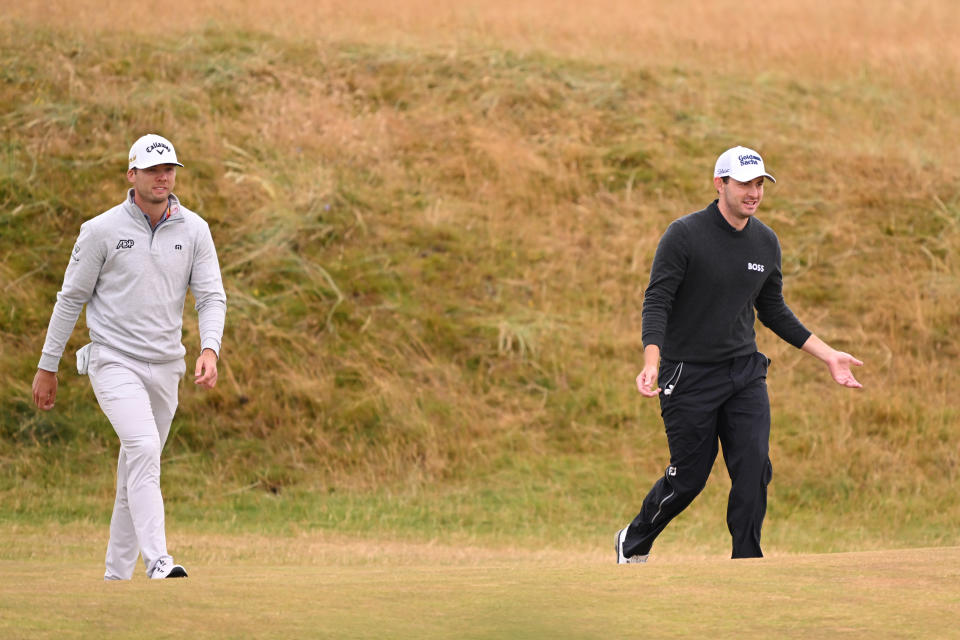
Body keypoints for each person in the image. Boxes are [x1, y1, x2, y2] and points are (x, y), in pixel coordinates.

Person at [616, 146, 862, 563]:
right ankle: (633, 541)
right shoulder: (684, 234)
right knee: (689, 479)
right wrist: (652, 362)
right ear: (720, 184)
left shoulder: (765, 242)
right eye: (745, 183)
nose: (754, 192)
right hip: (686, 374)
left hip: (744, 372)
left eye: (760, 184)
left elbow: (773, 309)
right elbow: (657, 301)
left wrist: (828, 355)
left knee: (753, 468)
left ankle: (746, 563)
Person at [32, 134, 227, 580]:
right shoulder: (100, 231)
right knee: (142, 448)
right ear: (131, 174)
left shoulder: (195, 229)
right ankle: (158, 560)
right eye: (153, 169)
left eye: (169, 169)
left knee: (134, 469)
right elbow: (70, 300)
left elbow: (212, 297)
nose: (163, 177)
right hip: (113, 358)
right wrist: (48, 366)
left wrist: (210, 348)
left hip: (166, 367)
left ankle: (116, 579)